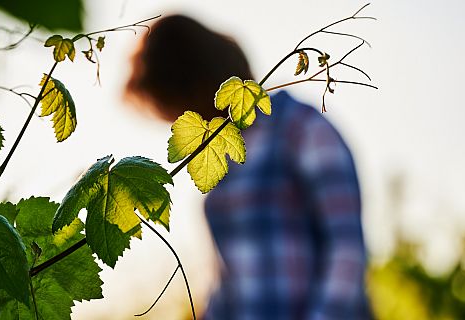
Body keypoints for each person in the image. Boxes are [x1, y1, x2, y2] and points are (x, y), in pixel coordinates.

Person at [126, 14, 371, 320]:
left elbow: (346, 251)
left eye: (178, 107)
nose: (181, 121)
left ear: (197, 84)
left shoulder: (300, 129)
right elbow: (229, 278)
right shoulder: (221, 158)